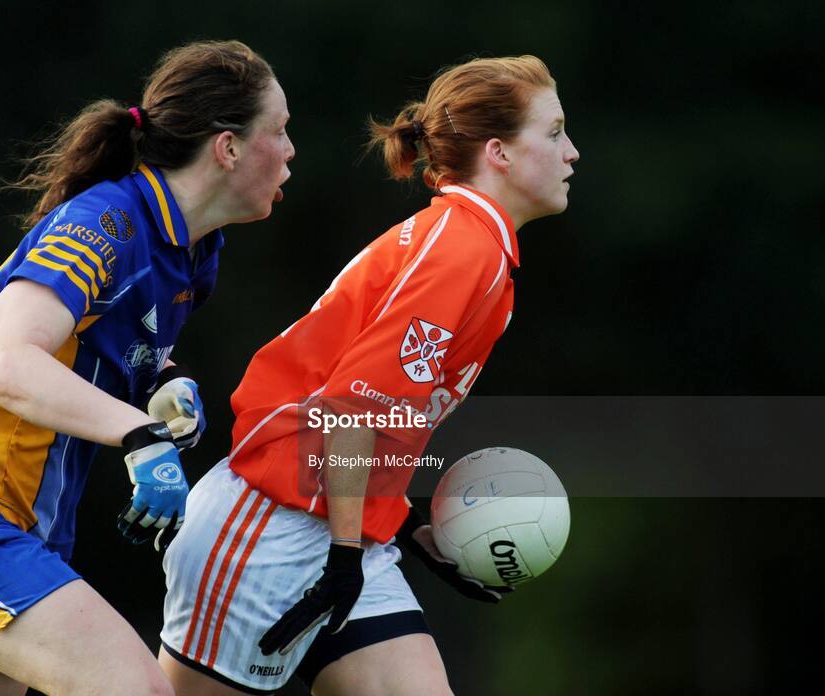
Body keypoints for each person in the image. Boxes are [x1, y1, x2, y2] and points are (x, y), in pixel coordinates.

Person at [0, 40, 294, 695]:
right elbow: (8, 362)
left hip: (11, 530)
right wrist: (139, 435)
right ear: (227, 146)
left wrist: (163, 384)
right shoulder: (104, 225)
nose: (290, 151)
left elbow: (113, 341)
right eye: (279, 131)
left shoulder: (191, 249)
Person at [157, 54, 579, 695]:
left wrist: (400, 521)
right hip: (270, 526)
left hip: (336, 529)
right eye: (553, 133)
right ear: (499, 152)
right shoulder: (464, 249)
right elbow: (350, 407)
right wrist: (347, 553)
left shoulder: (477, 246)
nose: (571, 152)